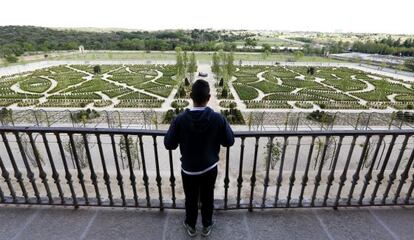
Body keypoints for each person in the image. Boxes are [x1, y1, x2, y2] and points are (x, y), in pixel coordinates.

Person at [164, 79, 235, 237]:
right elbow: (229, 141)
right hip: (210, 168)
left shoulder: (180, 119)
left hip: (188, 170)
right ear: (209, 97)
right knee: (207, 197)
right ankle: (207, 225)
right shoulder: (218, 119)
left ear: (190, 96)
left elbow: (169, 144)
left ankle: (191, 225)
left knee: (191, 198)